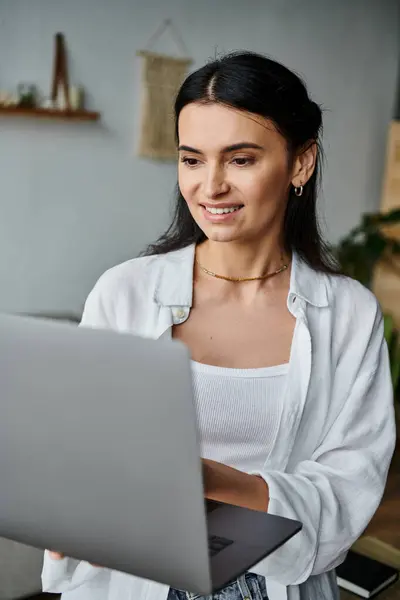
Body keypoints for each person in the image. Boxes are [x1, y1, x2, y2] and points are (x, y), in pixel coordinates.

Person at [41, 51, 396, 600]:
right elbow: (77, 450)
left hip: (275, 584)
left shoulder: (349, 314)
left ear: (301, 163)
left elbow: (347, 497)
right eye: (191, 159)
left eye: (241, 159)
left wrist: (210, 480)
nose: (210, 187)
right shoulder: (125, 292)